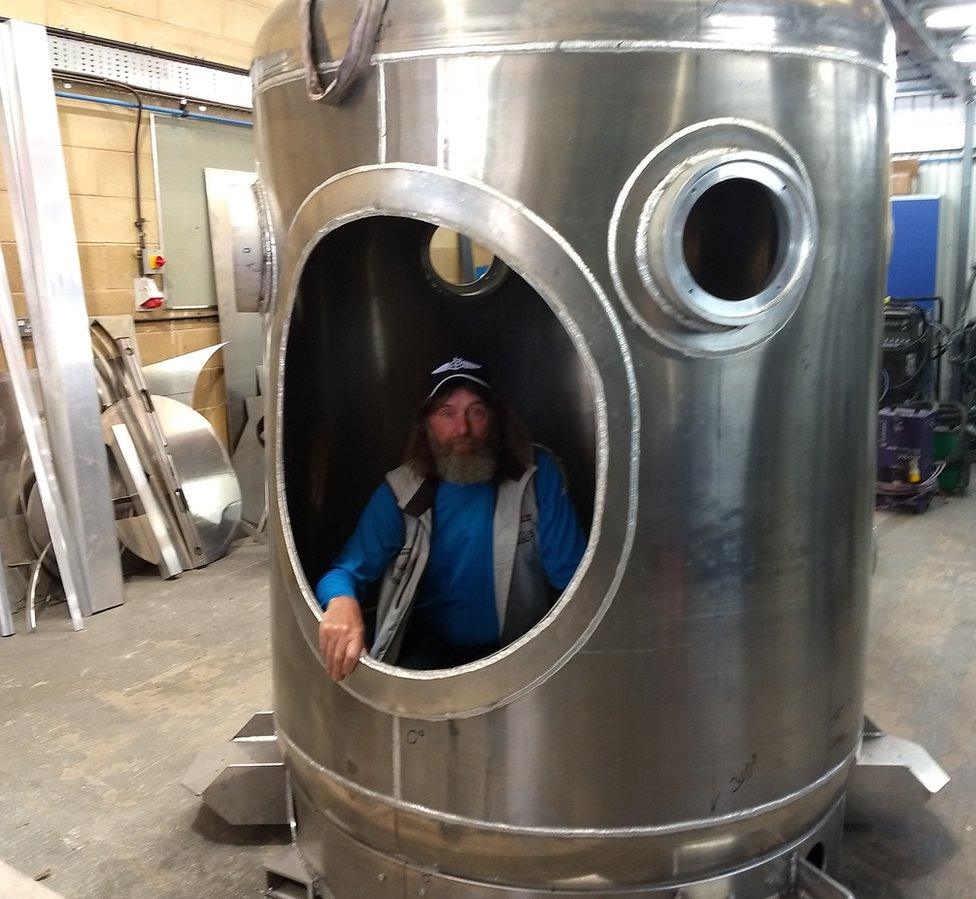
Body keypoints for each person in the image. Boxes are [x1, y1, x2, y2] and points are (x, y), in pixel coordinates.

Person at [315, 357, 588, 681]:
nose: (463, 429)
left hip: (521, 647)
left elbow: (573, 578)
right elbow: (344, 572)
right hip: (433, 650)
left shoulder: (535, 476)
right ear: (427, 424)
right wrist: (341, 601)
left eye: (476, 412)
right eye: (447, 413)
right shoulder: (403, 492)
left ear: (495, 421)